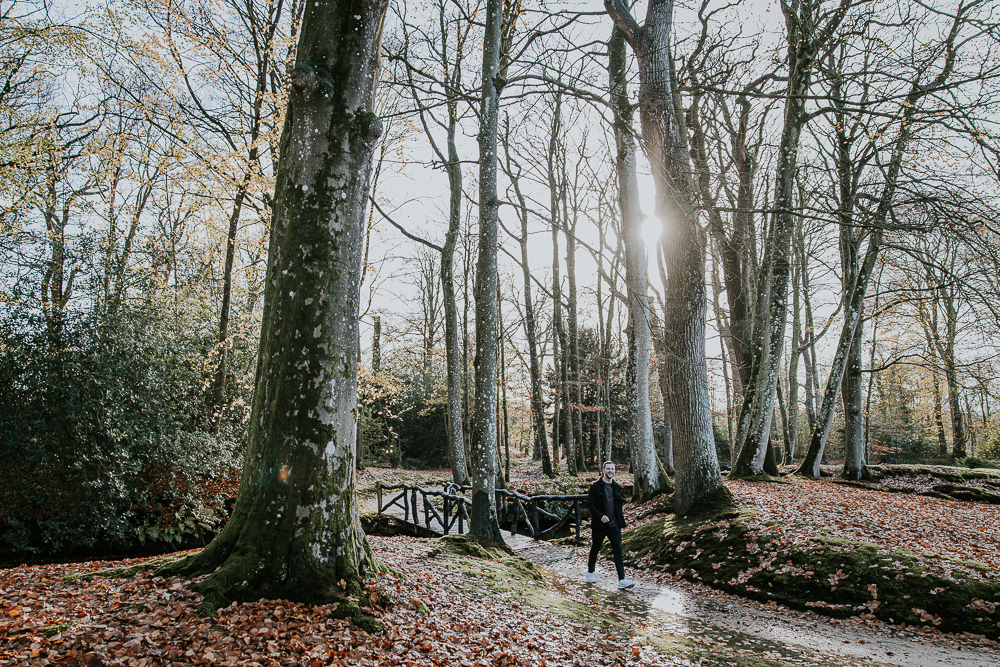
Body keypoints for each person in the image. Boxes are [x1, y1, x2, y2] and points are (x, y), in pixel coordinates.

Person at [586, 461, 634, 589]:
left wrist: (621, 521)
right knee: (596, 547)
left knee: (618, 550)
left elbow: (618, 506)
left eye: (612, 469)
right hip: (599, 525)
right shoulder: (596, 487)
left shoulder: (617, 487)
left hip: (614, 525)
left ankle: (622, 580)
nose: (610, 471)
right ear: (603, 470)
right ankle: (590, 572)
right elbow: (590, 505)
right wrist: (600, 515)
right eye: (608, 469)